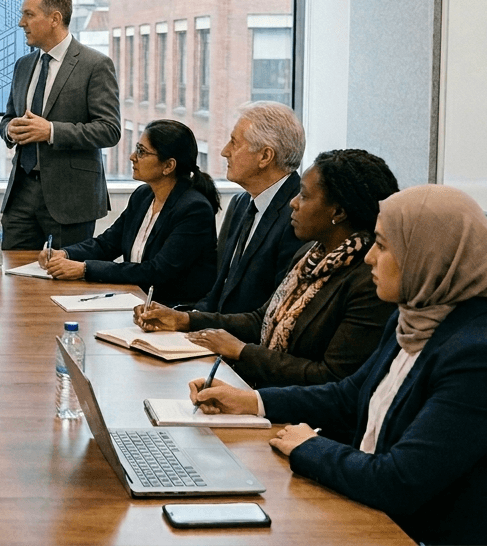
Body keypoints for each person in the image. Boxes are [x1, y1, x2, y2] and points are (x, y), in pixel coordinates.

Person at [188, 185, 487, 546]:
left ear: (428, 255)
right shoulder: (411, 318)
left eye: (383, 245)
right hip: (368, 511)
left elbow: (398, 481)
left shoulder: (474, 356)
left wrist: (308, 446)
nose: (370, 258)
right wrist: (251, 402)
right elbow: (348, 396)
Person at [138, 149, 400, 387]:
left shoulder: (368, 281)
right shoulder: (309, 255)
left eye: (305, 196)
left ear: (338, 212)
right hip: (266, 392)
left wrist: (241, 351)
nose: (293, 203)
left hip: (303, 417)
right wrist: (186, 319)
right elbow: (261, 319)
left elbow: (331, 377)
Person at [37, 119, 218, 305]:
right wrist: (65, 254)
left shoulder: (194, 210)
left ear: (168, 166)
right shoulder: (143, 195)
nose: (132, 156)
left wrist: (85, 269)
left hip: (171, 310)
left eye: (142, 152)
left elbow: (156, 272)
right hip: (134, 299)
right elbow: (107, 244)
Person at [0, 0, 121, 250]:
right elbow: (7, 118)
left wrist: (51, 131)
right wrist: (10, 130)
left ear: (55, 19)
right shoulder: (23, 65)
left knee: (65, 284)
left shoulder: (96, 65)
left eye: (29, 15)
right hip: (21, 194)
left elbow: (109, 129)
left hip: (71, 200)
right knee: (13, 282)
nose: (21, 23)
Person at [186, 101, 307, 314]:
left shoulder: (300, 214)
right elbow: (220, 291)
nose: (224, 152)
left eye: (234, 143)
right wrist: (186, 318)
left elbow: (275, 312)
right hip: (215, 332)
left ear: (265, 156)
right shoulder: (240, 203)